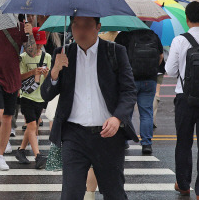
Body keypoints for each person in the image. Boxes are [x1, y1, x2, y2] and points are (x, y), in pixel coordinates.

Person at [41, 16, 138, 200]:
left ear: (98, 27)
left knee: (114, 192)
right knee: (71, 193)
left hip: (108, 135)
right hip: (74, 136)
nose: (81, 31)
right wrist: (55, 71)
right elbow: (46, 95)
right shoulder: (62, 54)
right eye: (76, 26)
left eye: (87, 26)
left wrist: (117, 118)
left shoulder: (115, 52)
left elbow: (129, 91)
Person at [165, 1, 199, 199]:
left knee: (183, 142)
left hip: (184, 97)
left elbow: (170, 70)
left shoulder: (180, 41)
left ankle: (183, 184)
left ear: (187, 19)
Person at [0, 19, 36, 172]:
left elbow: (32, 52)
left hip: (12, 77)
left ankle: (0, 154)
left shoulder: (20, 26)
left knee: (7, 117)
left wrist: (29, 33)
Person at [115, 28, 163, 154]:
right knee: (146, 112)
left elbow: (117, 56)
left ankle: (124, 140)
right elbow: (161, 56)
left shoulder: (125, 35)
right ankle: (146, 143)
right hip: (150, 79)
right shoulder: (153, 35)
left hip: (130, 79)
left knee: (127, 111)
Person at [15, 27, 50, 169]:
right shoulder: (23, 57)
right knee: (32, 125)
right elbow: (19, 77)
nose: (39, 45)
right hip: (26, 96)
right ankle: (38, 155)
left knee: (33, 126)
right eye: (37, 43)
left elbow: (51, 79)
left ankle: (21, 150)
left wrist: (45, 74)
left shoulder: (47, 57)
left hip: (40, 96)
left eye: (41, 43)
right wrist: (33, 72)